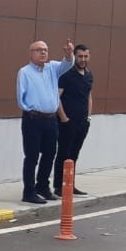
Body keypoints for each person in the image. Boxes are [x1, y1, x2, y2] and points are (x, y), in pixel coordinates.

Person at [16, 40, 76, 204]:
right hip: (33, 119)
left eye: (45, 50)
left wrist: (69, 53)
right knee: (32, 156)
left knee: (50, 154)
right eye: (39, 50)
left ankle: (43, 186)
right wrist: (31, 110)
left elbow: (68, 64)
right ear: (31, 53)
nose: (43, 53)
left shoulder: (52, 68)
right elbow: (21, 96)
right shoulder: (25, 72)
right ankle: (28, 191)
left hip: (50, 119)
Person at [54, 43, 93, 197]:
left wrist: (88, 117)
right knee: (64, 154)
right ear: (75, 57)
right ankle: (59, 186)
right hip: (67, 123)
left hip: (83, 123)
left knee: (74, 155)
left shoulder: (89, 75)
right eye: (80, 56)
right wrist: (64, 118)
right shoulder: (66, 75)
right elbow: (57, 97)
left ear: (89, 57)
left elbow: (89, 96)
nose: (83, 59)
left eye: (85, 56)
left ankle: (70, 185)